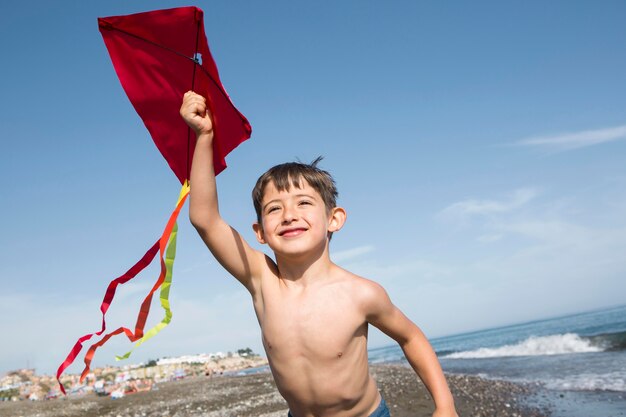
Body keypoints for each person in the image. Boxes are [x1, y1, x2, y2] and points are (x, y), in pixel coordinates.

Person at [180, 91, 458, 417]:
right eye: (274, 209)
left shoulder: (361, 293)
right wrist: (204, 136)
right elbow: (204, 219)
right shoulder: (261, 280)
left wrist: (445, 405)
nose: (289, 214)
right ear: (261, 233)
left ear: (333, 219)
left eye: (303, 203)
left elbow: (411, 338)